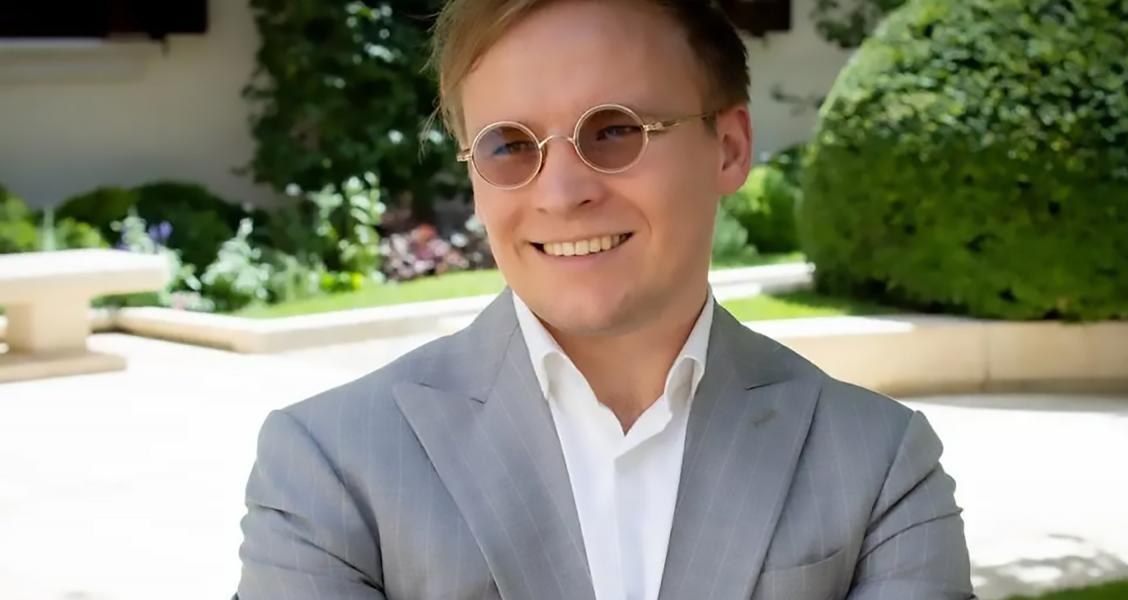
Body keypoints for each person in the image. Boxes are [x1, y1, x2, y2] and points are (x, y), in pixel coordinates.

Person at [234, 1, 976, 598]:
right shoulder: (332, 467)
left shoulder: (878, 465)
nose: (562, 193)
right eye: (509, 145)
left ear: (728, 148)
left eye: (615, 130)